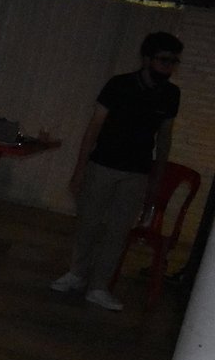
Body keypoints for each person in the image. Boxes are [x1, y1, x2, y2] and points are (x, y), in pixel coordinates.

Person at [50, 32, 183, 311]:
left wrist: (156, 178)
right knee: (88, 222)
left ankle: (99, 286)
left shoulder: (171, 94)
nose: (168, 67)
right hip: (103, 164)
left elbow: (165, 137)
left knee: (118, 230)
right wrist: (80, 169)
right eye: (163, 60)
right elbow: (94, 127)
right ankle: (77, 274)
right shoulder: (119, 85)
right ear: (147, 59)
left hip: (137, 171)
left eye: (173, 62)